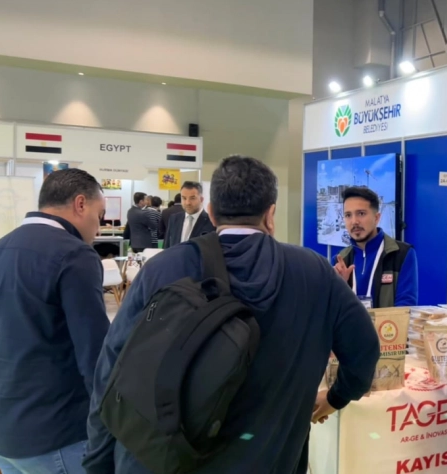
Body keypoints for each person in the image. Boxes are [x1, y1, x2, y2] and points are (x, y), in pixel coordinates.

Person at [84, 155, 379, 474]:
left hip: (162, 460)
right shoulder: (313, 272)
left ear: (211, 213)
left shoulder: (164, 268)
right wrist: (335, 398)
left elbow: (111, 368)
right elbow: (364, 352)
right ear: (271, 215)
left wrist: (98, 460)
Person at [0, 168, 110, 474]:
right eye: (99, 215)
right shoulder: (75, 254)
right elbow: (95, 355)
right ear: (80, 204)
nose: (99, 227)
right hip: (56, 435)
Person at [332, 186, 418, 308]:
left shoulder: (402, 254)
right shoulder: (340, 260)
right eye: (348, 215)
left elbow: (405, 306)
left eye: (361, 213)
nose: (354, 221)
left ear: (376, 218)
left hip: (389, 322)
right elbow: (330, 310)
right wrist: (340, 288)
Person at [164, 182, 215, 248]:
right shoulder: (174, 219)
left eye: (192, 198)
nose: (187, 203)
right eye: (184, 198)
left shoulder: (211, 221)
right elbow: (167, 246)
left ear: (201, 199)